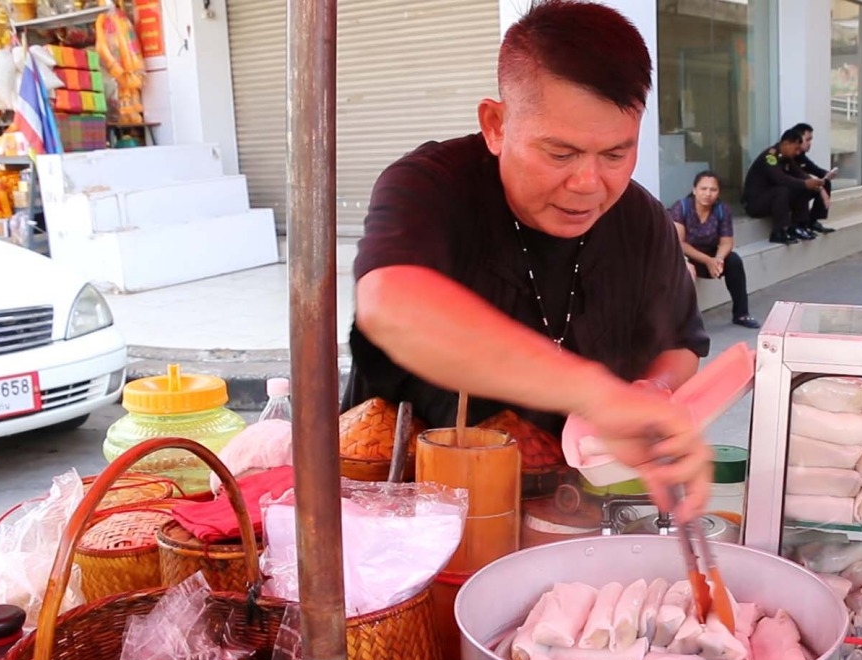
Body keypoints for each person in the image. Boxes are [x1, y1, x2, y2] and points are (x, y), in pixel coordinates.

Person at [344, 0, 712, 520]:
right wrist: (598, 396)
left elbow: (680, 344)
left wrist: (652, 392)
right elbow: (392, 306)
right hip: (405, 513)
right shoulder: (431, 185)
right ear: (496, 125)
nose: (588, 184)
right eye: (560, 154)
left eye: (615, 154)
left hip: (570, 509)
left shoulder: (641, 220)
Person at [668, 171, 760, 329]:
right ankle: (682, 322)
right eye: (703, 189)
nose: (708, 194)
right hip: (685, 256)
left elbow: (726, 242)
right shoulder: (681, 207)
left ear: (719, 193)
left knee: (734, 261)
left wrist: (718, 259)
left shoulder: (722, 209)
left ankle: (741, 314)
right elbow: (679, 243)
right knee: (684, 269)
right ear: (694, 190)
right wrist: (708, 261)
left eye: (713, 190)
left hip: (711, 256)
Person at [742, 128, 824, 245]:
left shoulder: (786, 158)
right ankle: (779, 231)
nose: (797, 153)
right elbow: (780, 179)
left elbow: (799, 173)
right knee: (782, 190)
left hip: (771, 199)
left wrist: (813, 183)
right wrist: (805, 183)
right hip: (755, 203)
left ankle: (799, 226)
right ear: (786, 144)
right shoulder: (770, 157)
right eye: (796, 149)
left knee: (802, 188)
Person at [788, 122, 836, 234]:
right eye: (808, 140)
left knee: (825, 182)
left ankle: (813, 220)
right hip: (785, 193)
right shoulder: (788, 155)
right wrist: (820, 189)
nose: (810, 144)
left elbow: (815, 169)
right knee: (804, 187)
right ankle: (799, 224)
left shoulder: (801, 156)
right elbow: (802, 176)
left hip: (796, 189)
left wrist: (828, 174)